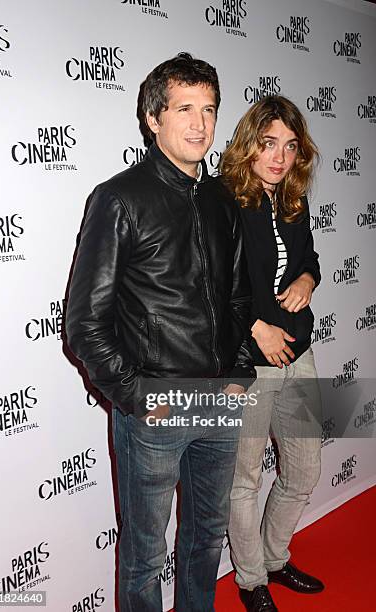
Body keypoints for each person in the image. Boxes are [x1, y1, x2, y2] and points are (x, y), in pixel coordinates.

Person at [65, 52, 255, 612]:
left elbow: (240, 297)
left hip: (219, 402)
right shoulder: (119, 198)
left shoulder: (223, 198)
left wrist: (240, 373)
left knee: (204, 543)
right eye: (184, 109)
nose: (200, 124)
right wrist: (137, 398)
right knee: (145, 557)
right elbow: (84, 322)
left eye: (209, 110)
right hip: (156, 409)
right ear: (154, 118)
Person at [220, 95, 323, 612]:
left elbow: (310, 259)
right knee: (245, 479)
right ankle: (251, 578)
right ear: (248, 144)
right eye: (268, 144)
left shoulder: (293, 200)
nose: (279, 158)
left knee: (304, 469)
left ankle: (276, 558)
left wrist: (306, 277)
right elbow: (208, 286)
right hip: (249, 360)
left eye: (289, 146)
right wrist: (256, 327)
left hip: (298, 351)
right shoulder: (223, 201)